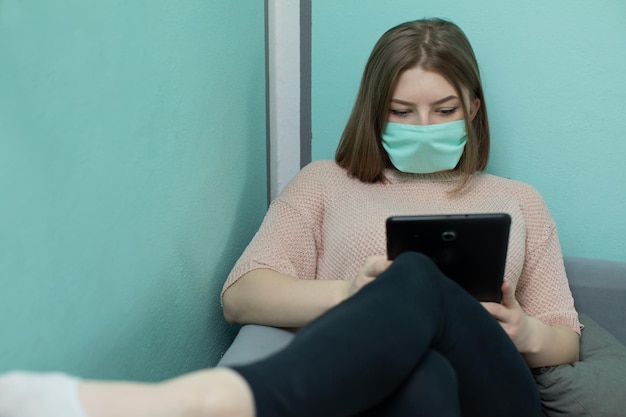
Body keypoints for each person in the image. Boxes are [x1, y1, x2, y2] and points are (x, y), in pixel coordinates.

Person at [0, 18, 581, 417]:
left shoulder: (518, 198)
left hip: (496, 393)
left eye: (445, 109)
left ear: (473, 107)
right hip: (386, 396)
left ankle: (218, 401)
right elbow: (242, 295)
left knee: (418, 275)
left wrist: (526, 330)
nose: (425, 126)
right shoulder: (324, 183)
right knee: (422, 374)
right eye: (402, 111)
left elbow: (567, 337)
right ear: (374, 112)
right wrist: (354, 293)